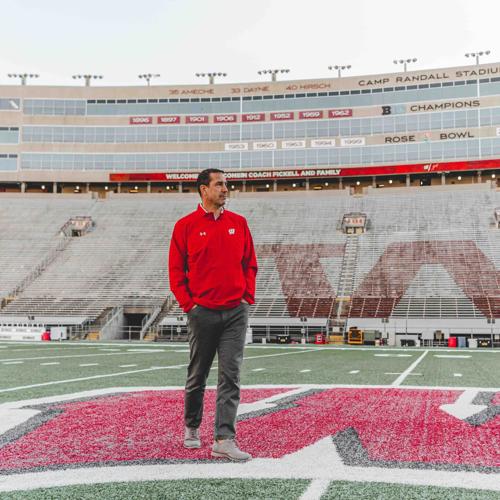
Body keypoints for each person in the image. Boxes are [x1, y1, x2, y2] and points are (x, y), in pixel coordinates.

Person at [168, 168, 258, 462]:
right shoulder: (185, 226)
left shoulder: (239, 223)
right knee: (198, 374)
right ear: (203, 190)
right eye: (219, 184)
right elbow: (175, 271)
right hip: (202, 312)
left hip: (235, 311)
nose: (225, 189)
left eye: (226, 184)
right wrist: (189, 305)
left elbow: (250, 263)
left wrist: (246, 297)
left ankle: (224, 438)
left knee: (230, 375)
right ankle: (192, 426)